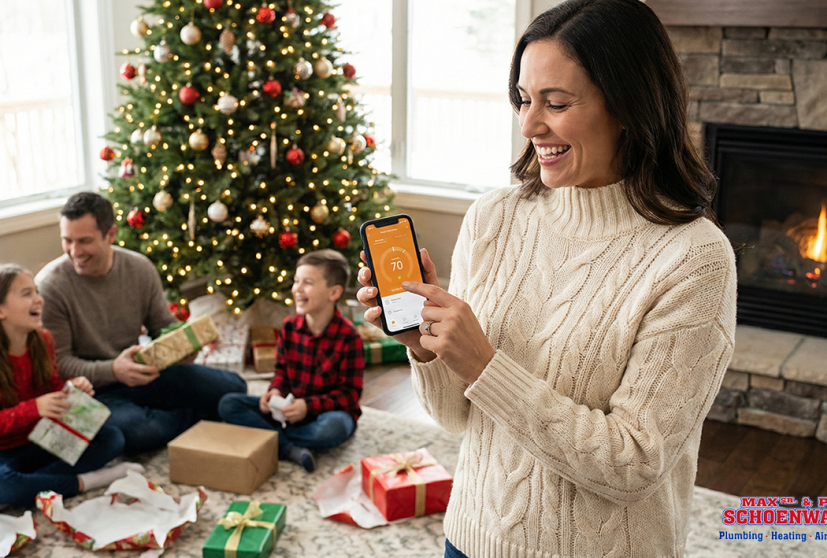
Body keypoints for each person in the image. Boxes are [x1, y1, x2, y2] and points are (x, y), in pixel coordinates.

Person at [357, 1, 736, 556]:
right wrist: (429, 350)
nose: (530, 126)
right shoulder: (494, 218)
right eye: (523, 100)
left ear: (630, 105)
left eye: (556, 104)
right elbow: (454, 417)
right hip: (470, 539)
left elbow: (633, 465)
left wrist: (486, 363)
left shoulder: (694, 260)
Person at [36, 192, 247, 454]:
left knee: (234, 386)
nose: (74, 252)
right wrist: (113, 370)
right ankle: (193, 418)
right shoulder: (50, 287)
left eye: (84, 241)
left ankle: (173, 414)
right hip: (92, 391)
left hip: (143, 372)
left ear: (110, 234)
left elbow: (162, 328)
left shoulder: (139, 268)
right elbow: (59, 365)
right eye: (67, 241)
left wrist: (186, 346)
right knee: (139, 431)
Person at [0, 264, 140, 509]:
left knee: (112, 438)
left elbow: (51, 388)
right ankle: (83, 482)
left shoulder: (42, 340)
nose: (39, 300)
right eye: (26, 294)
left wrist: (70, 390)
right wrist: (34, 408)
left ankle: (24, 489)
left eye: (36, 291)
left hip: (40, 441)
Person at [218, 250, 364, 472]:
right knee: (229, 404)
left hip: (325, 414)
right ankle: (289, 448)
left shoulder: (349, 337)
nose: (297, 289)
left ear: (333, 292)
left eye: (307, 283)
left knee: (332, 429)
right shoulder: (288, 327)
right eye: (296, 281)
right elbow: (281, 373)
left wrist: (308, 406)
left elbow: (350, 395)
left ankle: (274, 440)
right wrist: (275, 392)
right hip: (287, 410)